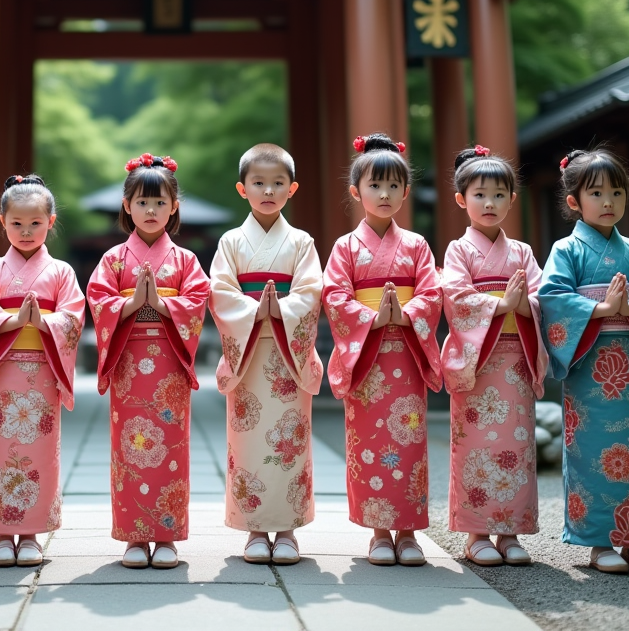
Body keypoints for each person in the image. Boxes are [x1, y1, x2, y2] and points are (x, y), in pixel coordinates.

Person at [538, 148, 629, 576]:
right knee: (592, 453)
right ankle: (598, 542)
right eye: (597, 192)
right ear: (574, 201)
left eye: (617, 192)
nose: (609, 201)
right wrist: (600, 311)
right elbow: (552, 297)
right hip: (590, 368)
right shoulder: (566, 249)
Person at [321, 134, 442, 566]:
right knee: (369, 441)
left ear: (406, 192)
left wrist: (406, 315)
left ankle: (408, 532)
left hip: (405, 351)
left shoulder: (416, 246)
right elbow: (334, 295)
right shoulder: (345, 247)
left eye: (394, 186)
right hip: (368, 354)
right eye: (375, 185)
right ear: (357, 192)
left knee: (408, 439)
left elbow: (431, 291)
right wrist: (373, 317)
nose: (385, 194)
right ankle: (377, 531)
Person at [86, 153, 211, 570]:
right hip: (128, 358)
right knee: (130, 449)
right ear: (127, 205)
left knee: (171, 446)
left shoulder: (185, 260)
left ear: (175, 206)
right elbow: (99, 299)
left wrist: (159, 304)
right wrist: (131, 306)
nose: (151, 210)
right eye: (142, 202)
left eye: (160, 203)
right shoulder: (114, 259)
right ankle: (135, 536)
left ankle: (167, 534)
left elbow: (197, 301)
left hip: (169, 361)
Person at [208, 143, 323, 566]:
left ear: (292, 189)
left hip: (288, 357)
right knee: (251, 442)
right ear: (242, 189)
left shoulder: (302, 242)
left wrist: (283, 309)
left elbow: (311, 291)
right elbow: (219, 291)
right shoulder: (231, 241)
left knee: (290, 440)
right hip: (250, 356)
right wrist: (259, 311)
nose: (268, 190)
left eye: (277, 183)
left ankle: (289, 529)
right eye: (259, 182)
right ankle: (255, 528)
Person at [0, 175, 85, 568]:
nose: (26, 231)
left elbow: (73, 315)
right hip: (5, 370)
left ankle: (32, 531)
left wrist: (45, 324)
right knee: (2, 450)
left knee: (40, 453)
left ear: (51, 221)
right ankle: (2, 532)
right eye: (17, 223)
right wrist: (14, 322)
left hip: (44, 370)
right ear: (2, 221)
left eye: (35, 223)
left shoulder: (62, 271)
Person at [440, 146, 547, 567]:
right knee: (476, 448)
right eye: (480, 194)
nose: (490, 203)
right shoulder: (457, 251)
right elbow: (456, 297)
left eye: (499, 195)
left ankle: (511, 531)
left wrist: (525, 306)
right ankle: (476, 533)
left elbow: (541, 298)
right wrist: (505, 305)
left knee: (516, 445)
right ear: (461, 199)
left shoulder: (521, 252)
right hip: (477, 362)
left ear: (512, 200)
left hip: (515, 359)